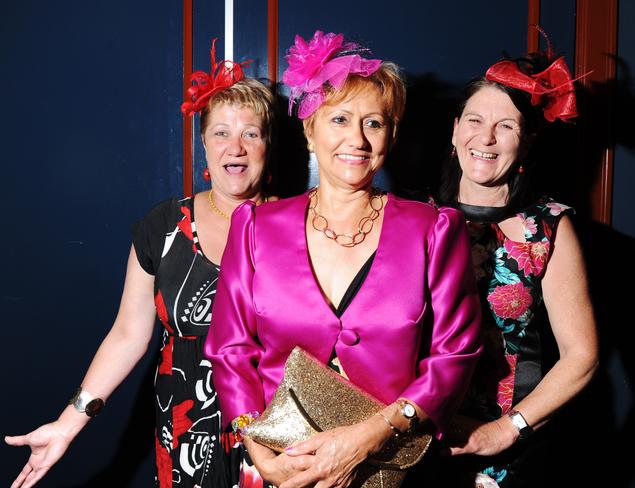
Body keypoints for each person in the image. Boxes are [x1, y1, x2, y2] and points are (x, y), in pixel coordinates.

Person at [204, 30, 482, 488]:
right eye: (339, 120)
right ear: (309, 130)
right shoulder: (255, 226)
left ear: (390, 136)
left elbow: (456, 354)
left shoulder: (433, 229)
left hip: (392, 468)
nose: (357, 138)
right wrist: (259, 453)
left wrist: (368, 438)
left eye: (374, 123)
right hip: (278, 467)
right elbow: (231, 352)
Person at [5, 41, 275, 488]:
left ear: (267, 144)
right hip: (186, 434)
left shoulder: (298, 226)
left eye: (251, 132)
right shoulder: (163, 226)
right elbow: (129, 335)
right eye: (222, 132)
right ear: (203, 142)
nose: (237, 146)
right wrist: (67, 424)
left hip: (276, 432)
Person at [434, 41, 599, 487]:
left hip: (510, 456)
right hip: (417, 442)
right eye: (474, 121)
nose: (485, 138)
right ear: (454, 132)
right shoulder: (413, 216)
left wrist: (505, 431)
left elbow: (582, 356)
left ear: (526, 143)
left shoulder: (548, 228)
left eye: (505, 126)